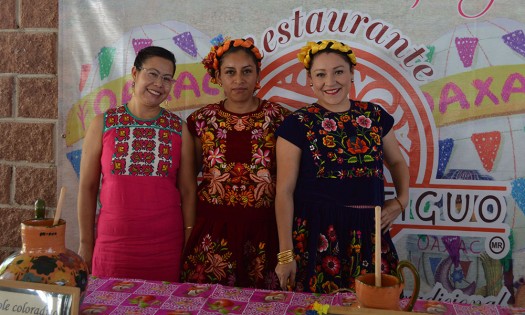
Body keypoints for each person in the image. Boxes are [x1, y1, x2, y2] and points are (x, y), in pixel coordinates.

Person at [274, 39, 410, 293]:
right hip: (319, 238)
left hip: (370, 236)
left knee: (375, 305)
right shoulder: (296, 125)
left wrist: (401, 200)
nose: (330, 82)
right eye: (321, 74)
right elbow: (284, 193)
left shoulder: (375, 116)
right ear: (309, 79)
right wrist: (285, 254)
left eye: (338, 72)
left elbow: (397, 162)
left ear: (352, 74)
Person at [77, 46, 196, 282]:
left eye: (166, 78)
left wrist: (189, 243)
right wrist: (85, 243)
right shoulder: (104, 123)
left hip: (165, 249)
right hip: (112, 248)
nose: (158, 84)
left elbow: (188, 191)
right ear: (134, 73)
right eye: (152, 74)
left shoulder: (178, 129)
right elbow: (88, 187)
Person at [180, 36, 290, 289]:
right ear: (218, 77)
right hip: (212, 231)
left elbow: (289, 184)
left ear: (258, 74)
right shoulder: (201, 120)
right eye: (230, 72)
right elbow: (187, 183)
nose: (239, 80)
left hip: (264, 231)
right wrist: (188, 231)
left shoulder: (281, 119)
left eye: (246, 71)